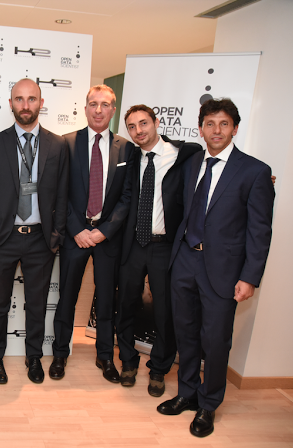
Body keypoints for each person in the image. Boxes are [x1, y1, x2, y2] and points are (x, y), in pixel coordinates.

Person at [158, 98, 274, 438]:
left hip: (224, 270)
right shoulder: (193, 163)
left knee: (215, 339)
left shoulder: (254, 171)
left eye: (224, 124)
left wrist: (250, 277)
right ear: (201, 129)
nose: (217, 130)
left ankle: (208, 404)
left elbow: (259, 231)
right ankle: (187, 393)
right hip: (185, 260)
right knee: (185, 333)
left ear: (235, 128)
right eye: (210, 124)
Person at [0, 78, 69, 384]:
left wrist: (56, 235)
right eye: (19, 99)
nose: (25, 105)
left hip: (41, 240)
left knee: (37, 305)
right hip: (2, 239)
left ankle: (34, 357)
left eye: (32, 99)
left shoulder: (57, 145)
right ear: (11, 104)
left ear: (41, 103)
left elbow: (63, 193)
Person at [115, 105, 201, 395]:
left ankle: (159, 369)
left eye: (143, 123)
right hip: (133, 244)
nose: (138, 131)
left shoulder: (185, 154)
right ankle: (128, 361)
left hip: (166, 247)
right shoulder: (129, 157)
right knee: (125, 305)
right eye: (132, 126)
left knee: (165, 312)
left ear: (156, 122)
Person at [50, 85, 132, 382]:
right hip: (75, 236)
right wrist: (77, 230)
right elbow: (58, 193)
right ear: (85, 108)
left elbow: (127, 197)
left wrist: (104, 232)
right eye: (93, 104)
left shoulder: (127, 148)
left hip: (107, 239)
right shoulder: (66, 143)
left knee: (107, 299)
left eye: (105, 105)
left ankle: (105, 357)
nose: (99, 110)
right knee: (67, 298)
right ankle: (60, 354)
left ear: (113, 110)